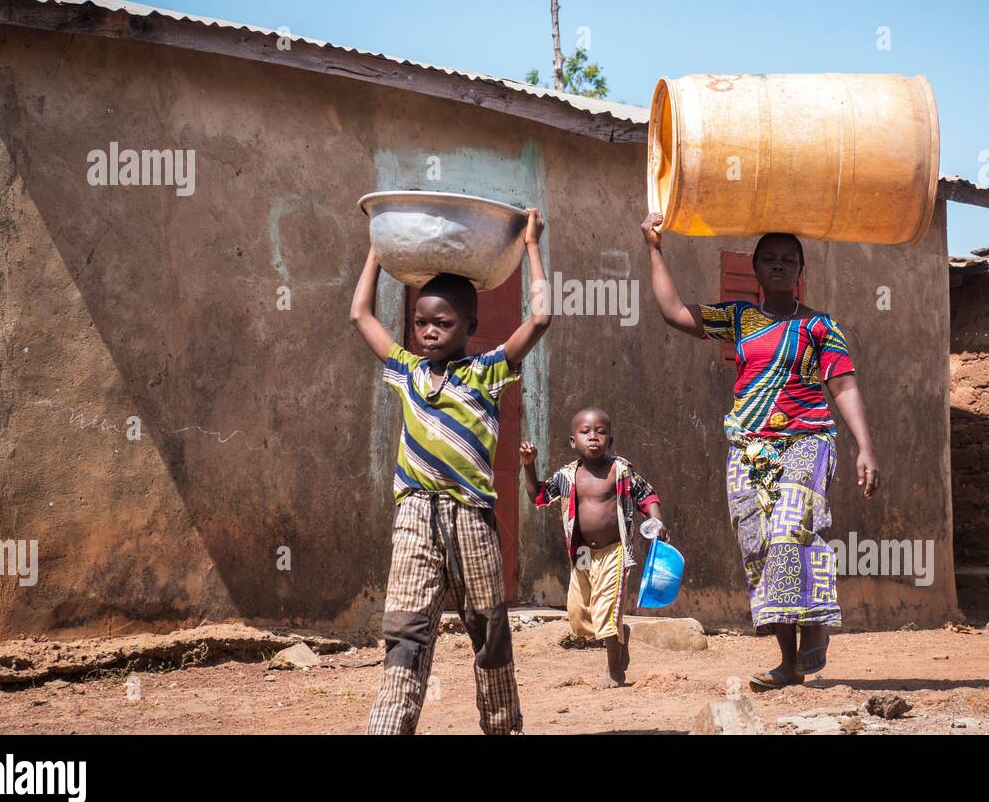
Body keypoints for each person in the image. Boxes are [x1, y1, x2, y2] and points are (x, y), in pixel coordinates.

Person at [640, 212, 879, 690]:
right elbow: (673, 312)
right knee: (760, 548)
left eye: (788, 260)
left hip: (807, 440)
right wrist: (654, 247)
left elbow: (844, 386)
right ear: (755, 268)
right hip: (749, 449)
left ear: (800, 271)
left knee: (792, 529)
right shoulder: (739, 318)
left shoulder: (820, 327)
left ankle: (815, 626)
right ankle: (789, 662)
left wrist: (865, 447)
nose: (778, 265)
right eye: (769, 258)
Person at [349, 207, 550, 734]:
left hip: (472, 516)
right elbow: (361, 316)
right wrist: (378, 249)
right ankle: (389, 727)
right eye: (420, 322)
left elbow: (541, 320)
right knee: (406, 631)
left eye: (443, 323)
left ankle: (503, 727)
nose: (428, 333)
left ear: (471, 327)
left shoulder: (487, 371)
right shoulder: (407, 371)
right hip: (415, 515)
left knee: (489, 631)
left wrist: (531, 245)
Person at [520, 407, 667, 688]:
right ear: (573, 441)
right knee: (578, 614)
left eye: (600, 431)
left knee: (605, 611)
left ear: (610, 440)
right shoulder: (567, 476)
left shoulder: (620, 470)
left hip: (614, 550)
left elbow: (647, 495)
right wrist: (528, 464)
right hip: (583, 553)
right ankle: (619, 635)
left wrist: (657, 521)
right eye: (585, 432)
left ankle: (614, 671)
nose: (593, 437)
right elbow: (538, 495)